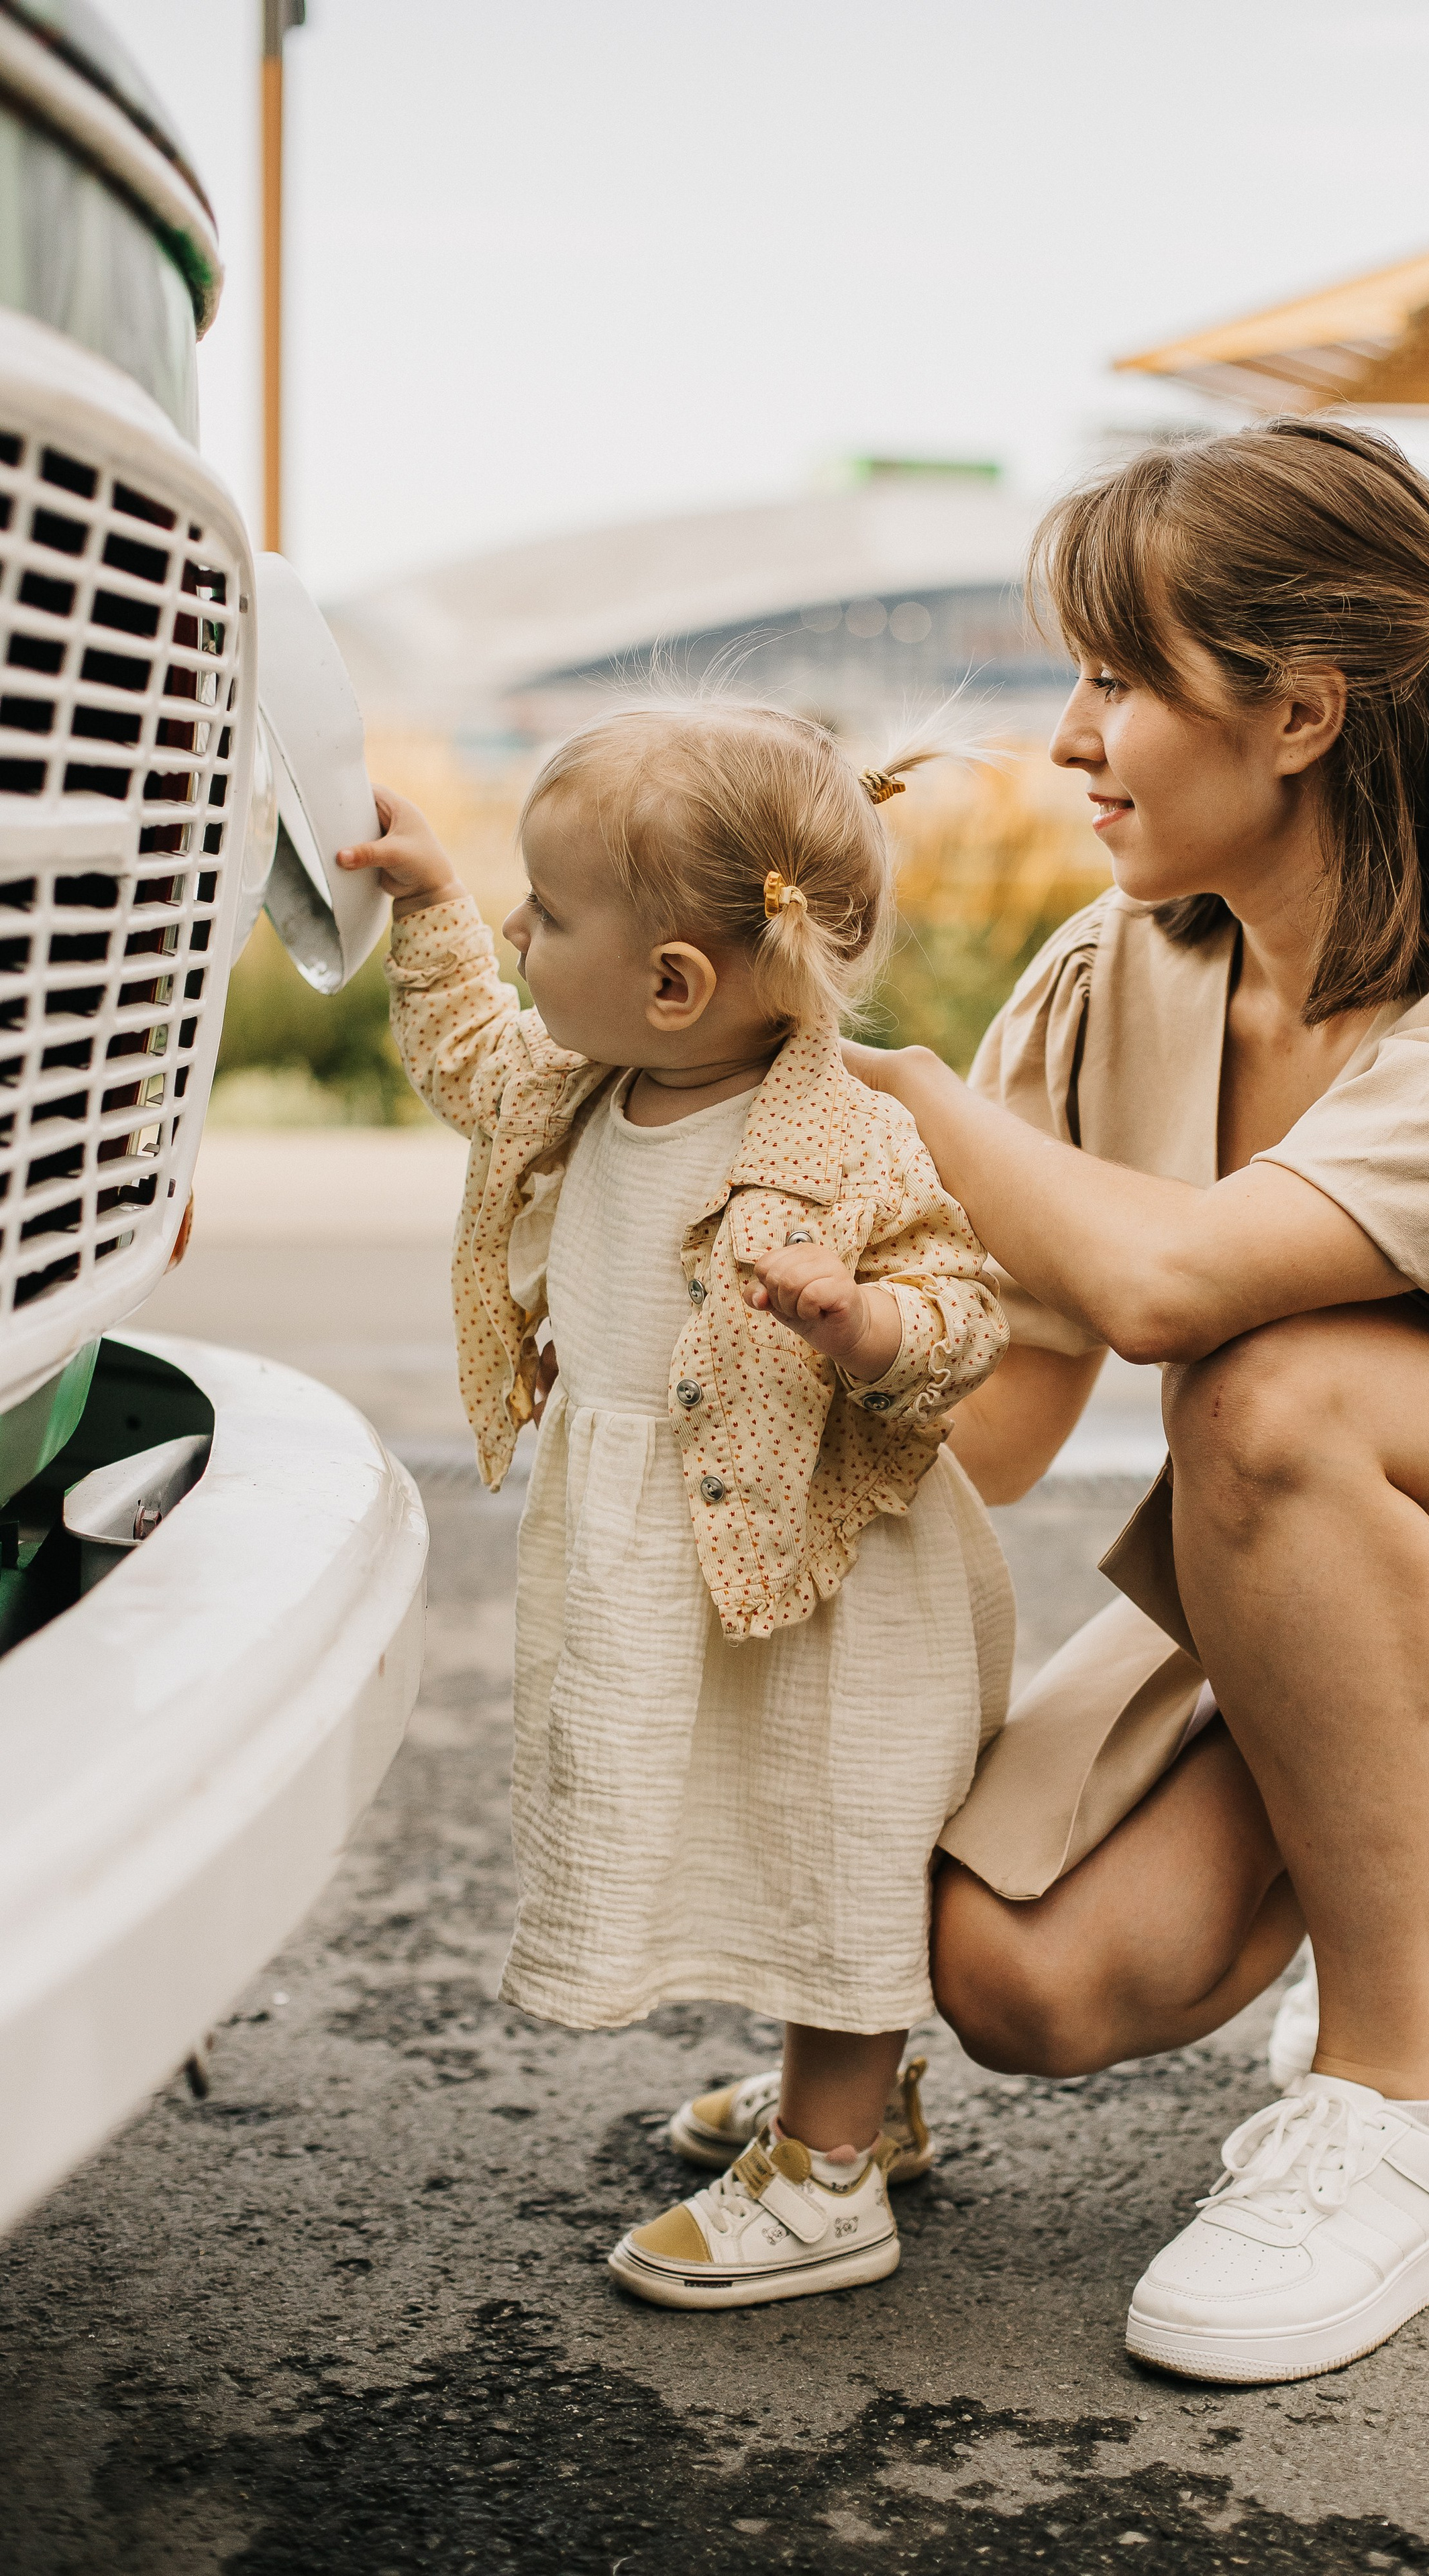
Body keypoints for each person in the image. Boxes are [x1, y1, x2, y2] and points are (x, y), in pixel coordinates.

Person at [666, 420, 1429, 2385]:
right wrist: (793, 1366)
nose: (1072, 738)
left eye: (1116, 678)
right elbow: (1007, 1418)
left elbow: (1164, 1290)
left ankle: (1391, 2107)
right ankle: (1408, 1828)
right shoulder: (1109, 978)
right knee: (1019, 1984)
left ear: (1301, 711)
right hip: (1300, 1561)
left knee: (1279, 1374)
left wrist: (895, 1091)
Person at [336, 703, 1014, 2310]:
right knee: (744, 1814)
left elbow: (965, 1308)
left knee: (830, 1826)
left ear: (673, 981)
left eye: (544, 914)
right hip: (662, 1546)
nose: (519, 933)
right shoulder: (583, 1086)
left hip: (818, 1569)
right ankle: (847, 2094)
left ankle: (833, 2165)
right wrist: (429, 905)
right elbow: (467, 1055)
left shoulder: (842, 1136)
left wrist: (861, 1325)